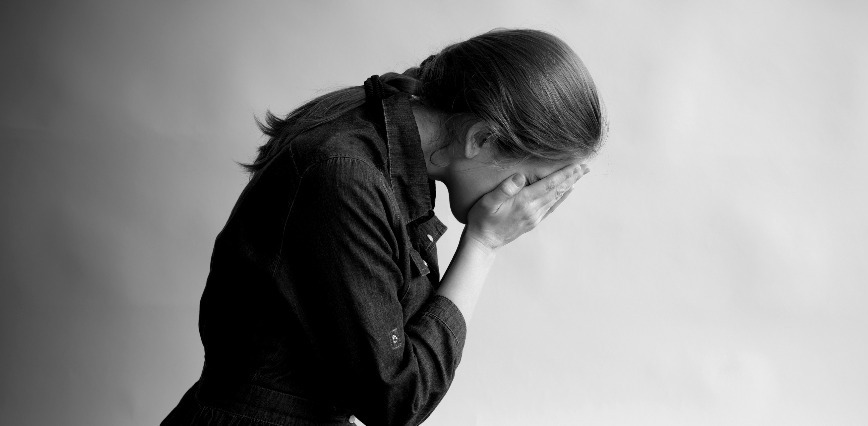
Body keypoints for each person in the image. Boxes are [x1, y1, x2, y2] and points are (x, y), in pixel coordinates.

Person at [161, 28, 603, 426]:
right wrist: (484, 243)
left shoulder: (392, 139)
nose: (527, 204)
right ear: (481, 139)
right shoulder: (347, 175)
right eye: (530, 180)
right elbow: (396, 400)